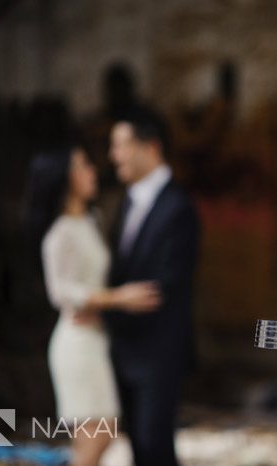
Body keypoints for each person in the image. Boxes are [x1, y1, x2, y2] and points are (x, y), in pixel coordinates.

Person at [25, 146, 162, 466]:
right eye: (83, 165)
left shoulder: (91, 220)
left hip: (96, 338)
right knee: (97, 435)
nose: (92, 171)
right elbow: (60, 292)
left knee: (103, 433)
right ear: (65, 179)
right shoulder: (59, 234)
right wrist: (119, 298)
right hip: (77, 343)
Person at [104, 108, 198, 466]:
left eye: (121, 145)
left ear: (151, 147)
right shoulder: (126, 202)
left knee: (155, 446)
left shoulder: (179, 207)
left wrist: (108, 301)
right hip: (122, 348)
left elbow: (165, 285)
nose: (114, 156)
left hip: (158, 352)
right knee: (138, 449)